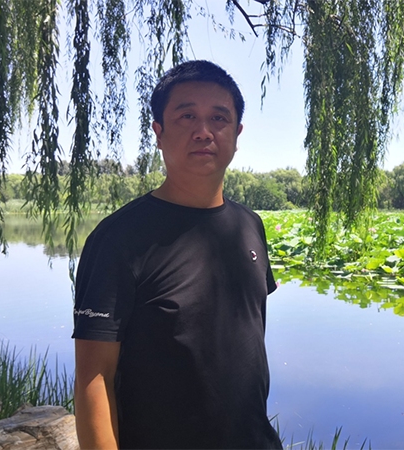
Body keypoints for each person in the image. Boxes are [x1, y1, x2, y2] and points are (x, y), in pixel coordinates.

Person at [72, 60, 283, 450]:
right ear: (159, 132)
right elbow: (94, 377)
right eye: (187, 116)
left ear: (236, 133)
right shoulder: (118, 240)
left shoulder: (249, 226)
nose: (204, 131)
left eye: (218, 118)